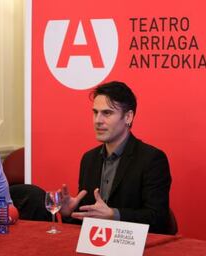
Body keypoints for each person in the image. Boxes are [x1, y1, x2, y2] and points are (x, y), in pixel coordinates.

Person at [60, 81, 172, 234]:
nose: (98, 120)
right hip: (97, 245)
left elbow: (157, 218)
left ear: (128, 117)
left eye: (107, 113)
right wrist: (69, 213)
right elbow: (88, 220)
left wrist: (114, 215)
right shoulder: (89, 159)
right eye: (95, 112)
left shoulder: (152, 159)